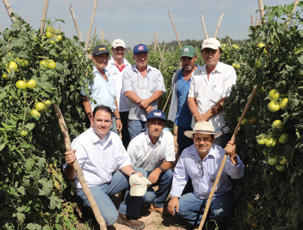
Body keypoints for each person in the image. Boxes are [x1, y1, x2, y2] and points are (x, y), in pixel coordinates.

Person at [64, 105, 146, 230]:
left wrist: (133, 174)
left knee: (140, 173)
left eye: (107, 121)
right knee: (110, 218)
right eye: (99, 120)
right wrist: (71, 165)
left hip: (108, 182)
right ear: (92, 120)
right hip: (90, 187)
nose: (103, 124)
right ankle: (88, 209)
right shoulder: (82, 142)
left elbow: (123, 162)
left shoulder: (114, 138)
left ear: (111, 122)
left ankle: (124, 212)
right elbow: (70, 176)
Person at [167, 121, 244, 229]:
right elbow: (179, 176)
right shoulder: (186, 153)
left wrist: (233, 157)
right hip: (198, 196)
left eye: (205, 139)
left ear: (212, 140)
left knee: (222, 215)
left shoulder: (222, 154)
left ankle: (214, 220)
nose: (201, 142)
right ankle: (206, 223)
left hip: (219, 194)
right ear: (193, 139)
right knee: (178, 209)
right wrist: (174, 197)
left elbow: (238, 175)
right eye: (198, 138)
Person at [188, 38, 237, 148]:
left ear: (219, 53)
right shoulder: (197, 73)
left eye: (213, 52)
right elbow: (191, 98)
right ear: (202, 54)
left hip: (218, 131)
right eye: (206, 51)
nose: (210, 55)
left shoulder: (228, 71)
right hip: (199, 130)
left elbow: (226, 100)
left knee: (217, 163)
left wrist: (204, 117)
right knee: (199, 163)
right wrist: (198, 118)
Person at [127, 109, 175, 214]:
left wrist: (158, 170)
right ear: (147, 124)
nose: (156, 127)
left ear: (163, 126)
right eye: (153, 123)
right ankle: (134, 197)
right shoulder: (136, 143)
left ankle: (158, 204)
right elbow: (127, 168)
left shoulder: (168, 137)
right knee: (149, 197)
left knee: (170, 174)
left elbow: (170, 161)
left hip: (154, 174)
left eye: (159, 124)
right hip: (139, 175)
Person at [122, 43, 166, 140]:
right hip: (135, 119)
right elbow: (128, 92)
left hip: (152, 118)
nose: (142, 58)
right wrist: (146, 105)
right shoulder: (127, 73)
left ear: (148, 56)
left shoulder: (156, 73)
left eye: (144, 55)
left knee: (152, 145)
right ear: (133, 57)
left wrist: (146, 102)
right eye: (139, 56)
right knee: (136, 146)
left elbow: (159, 91)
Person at [82, 44, 122, 134]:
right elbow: (86, 100)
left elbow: (113, 98)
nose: (104, 60)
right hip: (98, 120)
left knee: (113, 145)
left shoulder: (108, 74)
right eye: (100, 57)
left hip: (111, 119)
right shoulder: (89, 75)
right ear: (93, 58)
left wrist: (118, 118)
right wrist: (92, 120)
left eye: (106, 57)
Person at [168, 45, 198, 155]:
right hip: (183, 122)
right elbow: (175, 98)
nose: (187, 62)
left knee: (199, 152)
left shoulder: (201, 74)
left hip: (197, 121)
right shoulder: (177, 75)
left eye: (189, 58)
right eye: (184, 59)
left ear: (195, 58)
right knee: (184, 153)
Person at [106, 39, 131, 148]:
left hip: (126, 108)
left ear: (125, 50)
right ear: (112, 50)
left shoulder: (129, 66)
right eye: (117, 49)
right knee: (112, 137)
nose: (119, 51)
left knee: (126, 136)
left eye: (121, 49)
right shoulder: (107, 66)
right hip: (111, 108)